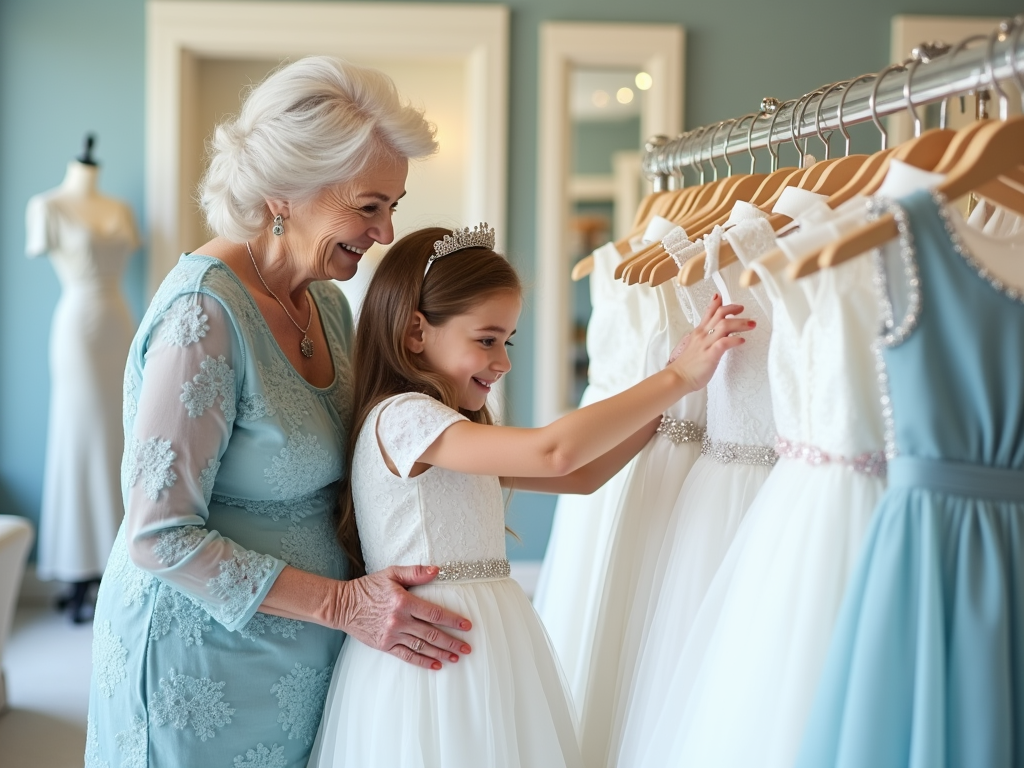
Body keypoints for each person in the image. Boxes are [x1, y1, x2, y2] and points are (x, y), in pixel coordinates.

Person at [85, 57, 478, 768]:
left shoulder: (325, 301)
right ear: (285, 193)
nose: (386, 232)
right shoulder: (203, 315)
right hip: (196, 667)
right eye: (368, 206)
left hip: (300, 664)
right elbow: (159, 534)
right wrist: (343, 605)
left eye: (394, 205)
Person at [308, 225, 753, 767]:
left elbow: (579, 476)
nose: (503, 361)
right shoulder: (403, 418)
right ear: (415, 331)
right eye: (487, 339)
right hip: (433, 649)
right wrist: (676, 378)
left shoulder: (448, 427)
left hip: (482, 636)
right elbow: (554, 454)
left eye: (507, 341)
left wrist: (669, 398)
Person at [26, 138, 138, 623]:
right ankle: (78, 565)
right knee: (79, 439)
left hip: (118, 320)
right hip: (76, 328)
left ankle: (119, 559)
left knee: (120, 435)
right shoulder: (46, 206)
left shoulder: (118, 208)